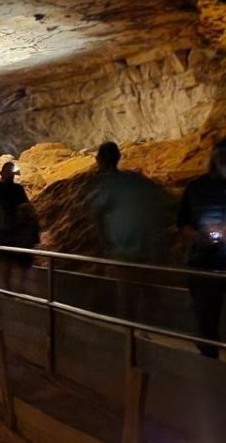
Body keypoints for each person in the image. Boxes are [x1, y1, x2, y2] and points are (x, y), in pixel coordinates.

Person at [90, 141, 172, 321]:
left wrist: (106, 244)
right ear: (119, 157)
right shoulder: (137, 180)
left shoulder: (108, 184)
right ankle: (146, 331)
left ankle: (130, 337)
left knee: (127, 294)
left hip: (125, 248)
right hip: (151, 245)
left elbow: (96, 213)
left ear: (99, 160)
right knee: (148, 290)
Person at [176, 138, 226, 358]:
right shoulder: (196, 187)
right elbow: (183, 222)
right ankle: (209, 366)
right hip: (204, 262)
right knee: (206, 318)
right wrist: (199, 237)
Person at [0, 161, 34, 289]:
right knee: (8, 259)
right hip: (8, 229)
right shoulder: (10, 189)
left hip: (6, 229)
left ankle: (9, 288)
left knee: (7, 259)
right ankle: (12, 287)